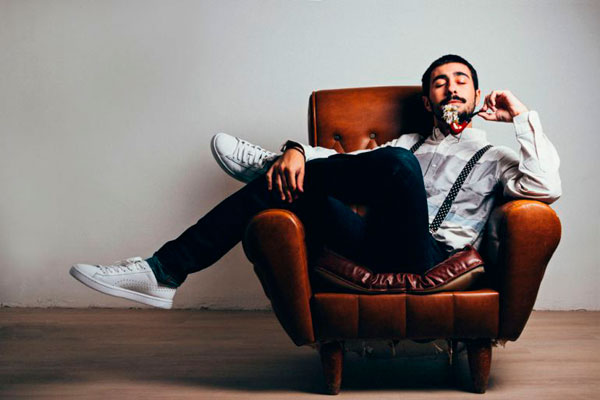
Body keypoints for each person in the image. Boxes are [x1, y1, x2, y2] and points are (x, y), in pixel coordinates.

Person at [69, 54, 561, 309]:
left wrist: (520, 117)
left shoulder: (495, 156)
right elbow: (341, 160)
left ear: (475, 94)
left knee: (396, 165)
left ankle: (264, 166)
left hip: (429, 255)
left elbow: (544, 187)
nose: (450, 87)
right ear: (427, 100)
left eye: (460, 80)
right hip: (372, 244)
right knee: (287, 183)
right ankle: (163, 272)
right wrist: (295, 151)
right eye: (439, 82)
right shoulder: (409, 142)